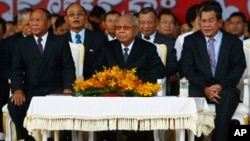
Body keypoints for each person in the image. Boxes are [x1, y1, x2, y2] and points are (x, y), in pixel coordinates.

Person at [179, 1, 246, 141]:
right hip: (199, 86)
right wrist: (205, 88)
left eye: (211, 21)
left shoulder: (233, 42)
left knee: (228, 96)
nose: (206, 25)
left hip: (225, 87)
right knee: (193, 95)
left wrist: (221, 85)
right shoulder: (190, 41)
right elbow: (186, 68)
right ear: (199, 22)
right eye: (203, 21)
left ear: (220, 22)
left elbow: (239, 67)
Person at [93, 13, 166, 141]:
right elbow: (97, 70)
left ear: (136, 29)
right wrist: (115, 80)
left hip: (138, 96)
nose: (121, 31)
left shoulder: (148, 48)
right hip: (113, 95)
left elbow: (159, 71)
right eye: (118, 27)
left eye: (125, 28)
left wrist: (135, 79)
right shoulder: (107, 47)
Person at [7, 8, 76, 141]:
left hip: (55, 90)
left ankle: (60, 137)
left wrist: (68, 88)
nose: (33, 23)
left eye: (38, 20)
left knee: (68, 105)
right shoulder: (21, 44)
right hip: (30, 91)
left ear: (49, 23)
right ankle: (28, 137)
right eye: (32, 20)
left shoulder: (60, 42)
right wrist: (17, 89)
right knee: (14, 105)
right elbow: (15, 70)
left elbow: (68, 68)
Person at [136, 7, 177, 95]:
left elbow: (172, 65)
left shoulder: (168, 42)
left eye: (149, 22)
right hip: (135, 84)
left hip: (160, 85)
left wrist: (153, 73)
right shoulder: (132, 40)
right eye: (142, 22)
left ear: (157, 22)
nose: (146, 26)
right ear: (138, 23)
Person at [63, 3, 105, 80]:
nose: (76, 16)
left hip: (93, 85)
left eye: (80, 14)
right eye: (72, 14)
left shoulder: (99, 38)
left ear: (86, 18)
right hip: (65, 86)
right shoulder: (59, 40)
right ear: (66, 19)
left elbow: (103, 64)